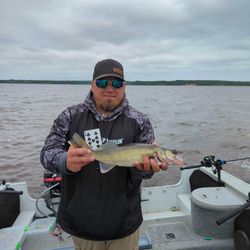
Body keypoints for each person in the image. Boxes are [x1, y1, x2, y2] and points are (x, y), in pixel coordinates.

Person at [40, 59, 168, 250]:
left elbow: (146, 174)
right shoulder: (70, 115)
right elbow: (46, 153)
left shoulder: (139, 121)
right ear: (92, 85)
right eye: (102, 83)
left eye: (116, 83)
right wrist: (65, 160)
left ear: (124, 87)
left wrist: (145, 170)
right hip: (83, 222)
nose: (110, 88)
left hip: (125, 222)